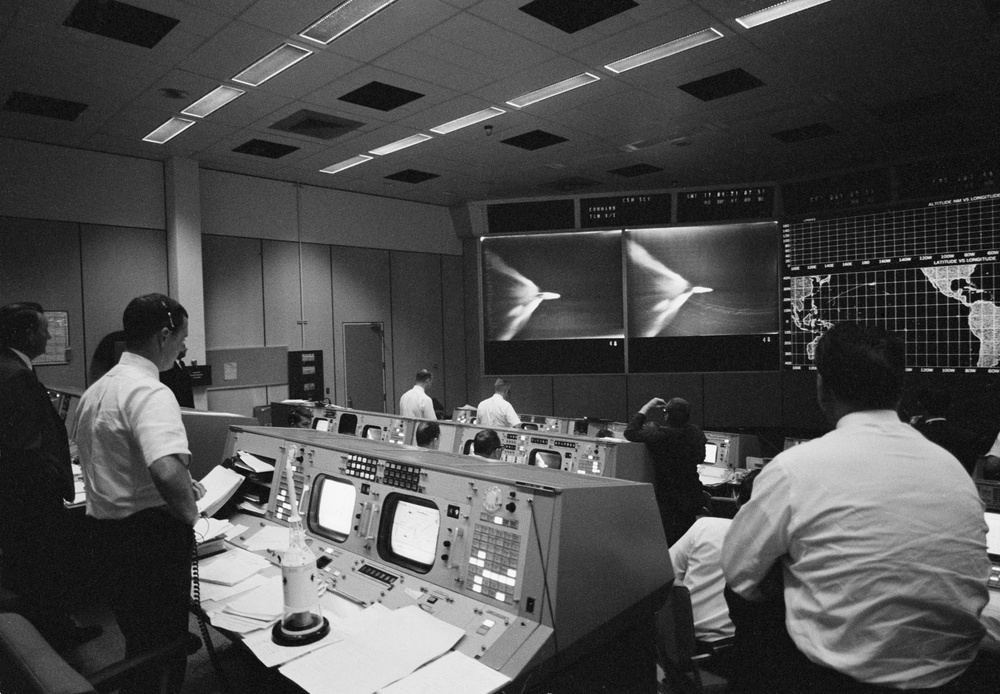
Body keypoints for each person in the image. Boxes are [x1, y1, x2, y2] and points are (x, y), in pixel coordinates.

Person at [722, 323, 990, 694]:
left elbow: (739, 576)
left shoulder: (794, 468)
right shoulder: (953, 470)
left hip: (836, 681)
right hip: (958, 679)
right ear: (899, 390)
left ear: (823, 388)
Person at [74, 294, 205, 692]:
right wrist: (191, 515)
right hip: (151, 543)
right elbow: (165, 469)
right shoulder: (151, 391)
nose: (184, 348)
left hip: (109, 539)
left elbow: (110, 459)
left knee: (140, 640)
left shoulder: (96, 391)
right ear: (164, 336)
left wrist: (181, 482)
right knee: (165, 647)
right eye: (182, 338)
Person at [0, 302, 100, 648]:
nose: (50, 335)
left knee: (32, 570)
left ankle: (44, 634)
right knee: (43, 568)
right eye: (45, 328)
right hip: (31, 502)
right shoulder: (15, 376)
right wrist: (56, 477)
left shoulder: (9, 368)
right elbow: (25, 451)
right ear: (27, 333)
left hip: (16, 500)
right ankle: (57, 638)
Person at [669, 470, 761, 650]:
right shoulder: (782, 548)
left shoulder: (704, 527)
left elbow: (664, 575)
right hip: (733, 651)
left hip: (683, 644)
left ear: (737, 501)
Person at [624, 396, 707, 545]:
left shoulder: (660, 436)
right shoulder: (696, 433)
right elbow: (701, 458)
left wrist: (648, 406)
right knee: (686, 540)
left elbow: (630, 432)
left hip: (668, 500)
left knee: (668, 542)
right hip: (691, 497)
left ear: (666, 415)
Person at [910, 387, 979, 476]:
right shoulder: (968, 437)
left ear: (922, 407)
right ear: (949, 406)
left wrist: (911, 428)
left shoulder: (917, 436)